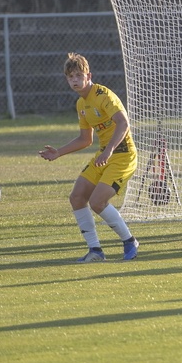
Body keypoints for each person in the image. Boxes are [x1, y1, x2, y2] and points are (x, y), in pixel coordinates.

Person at [38, 53, 139, 262]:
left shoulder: (103, 95)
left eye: (78, 75)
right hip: (103, 154)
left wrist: (109, 150)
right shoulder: (81, 105)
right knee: (77, 197)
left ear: (88, 75)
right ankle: (95, 251)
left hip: (123, 155)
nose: (74, 80)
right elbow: (85, 139)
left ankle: (129, 240)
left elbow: (123, 123)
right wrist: (58, 153)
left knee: (97, 201)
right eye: (70, 77)